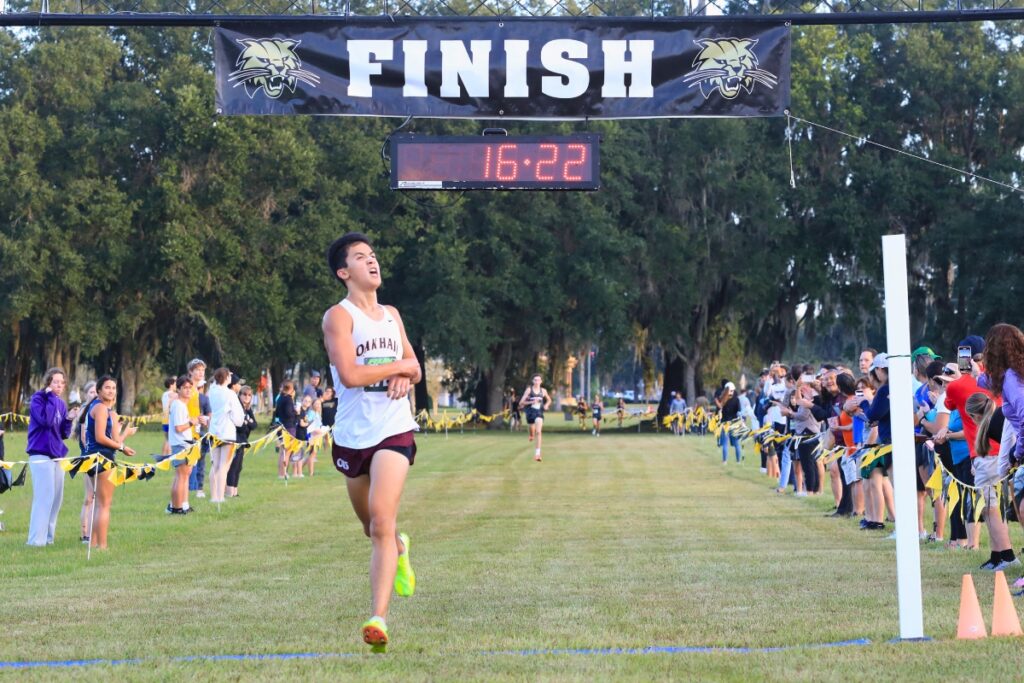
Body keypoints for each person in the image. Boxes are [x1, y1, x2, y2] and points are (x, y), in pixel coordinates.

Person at [323, 232, 422, 653]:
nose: (372, 262)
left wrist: (406, 371)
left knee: (382, 519)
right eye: (361, 258)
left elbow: (415, 366)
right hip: (352, 434)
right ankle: (400, 547)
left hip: (394, 428)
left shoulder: (392, 314)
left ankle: (378, 618)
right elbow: (349, 375)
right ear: (345, 272)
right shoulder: (338, 317)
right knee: (371, 528)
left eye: (374, 255)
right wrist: (398, 366)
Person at [964, 392, 1018, 571]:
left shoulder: (991, 423)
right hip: (992, 463)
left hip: (990, 464)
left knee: (991, 511)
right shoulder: (994, 417)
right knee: (991, 510)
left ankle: (1007, 556)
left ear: (975, 416)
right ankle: (997, 556)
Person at [83, 376, 137, 550]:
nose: (111, 390)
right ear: (98, 391)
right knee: (104, 504)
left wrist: (125, 435)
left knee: (99, 503)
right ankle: (102, 546)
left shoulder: (110, 412)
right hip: (100, 458)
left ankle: (93, 543)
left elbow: (114, 440)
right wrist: (122, 446)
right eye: (107, 387)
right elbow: (100, 437)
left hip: (97, 458)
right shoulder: (99, 408)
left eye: (113, 388)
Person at [26, 368, 78, 547]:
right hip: (40, 453)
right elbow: (46, 422)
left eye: (62, 382)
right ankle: (35, 541)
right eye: (55, 381)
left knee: (56, 498)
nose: (59, 385)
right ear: (48, 382)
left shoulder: (61, 404)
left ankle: (48, 538)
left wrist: (69, 419)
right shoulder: (38, 399)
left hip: (57, 454)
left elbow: (62, 433)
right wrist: (48, 397)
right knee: (44, 496)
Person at [207, 367, 245, 504]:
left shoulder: (211, 391)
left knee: (215, 465)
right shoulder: (229, 394)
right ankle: (220, 497)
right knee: (224, 466)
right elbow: (239, 417)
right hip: (227, 432)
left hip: (213, 432)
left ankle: (213, 496)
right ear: (227, 378)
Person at [167, 375, 200, 514]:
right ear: (178, 389)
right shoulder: (179, 405)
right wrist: (192, 422)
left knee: (185, 475)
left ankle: (183, 504)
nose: (188, 390)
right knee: (181, 477)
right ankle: (176, 507)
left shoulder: (181, 405)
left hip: (185, 444)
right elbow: (179, 428)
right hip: (181, 445)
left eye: (189, 388)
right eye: (184, 388)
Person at [72, 381, 97, 543]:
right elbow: (84, 437)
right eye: (91, 392)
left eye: (96, 392)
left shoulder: (99, 410)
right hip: (89, 458)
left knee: (96, 497)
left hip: (101, 457)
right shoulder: (84, 412)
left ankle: (95, 532)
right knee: (89, 497)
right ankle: (85, 534)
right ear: (86, 394)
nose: (94, 395)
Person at [185, 359, 211, 498]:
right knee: (188, 463)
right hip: (186, 430)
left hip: (198, 430)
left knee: (200, 460)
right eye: (198, 370)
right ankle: (188, 489)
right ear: (191, 371)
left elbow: (204, 412)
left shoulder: (199, 391)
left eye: (203, 370)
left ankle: (197, 488)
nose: (201, 373)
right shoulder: (187, 389)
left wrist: (203, 419)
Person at [226, 384, 257, 498]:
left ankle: (235, 491)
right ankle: (229, 492)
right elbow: (240, 426)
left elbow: (254, 425)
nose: (247, 397)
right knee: (233, 466)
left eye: (249, 395)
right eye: (244, 394)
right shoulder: (237, 406)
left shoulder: (247, 409)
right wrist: (246, 423)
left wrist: (247, 422)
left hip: (243, 440)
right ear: (240, 395)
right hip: (236, 439)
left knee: (239, 467)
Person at [519, 375, 551, 462]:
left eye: (538, 380)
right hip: (530, 412)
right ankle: (531, 435)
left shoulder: (543, 391)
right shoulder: (529, 390)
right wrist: (531, 401)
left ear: (541, 381)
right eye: (535, 380)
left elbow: (549, 399)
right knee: (532, 429)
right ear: (533, 381)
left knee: (539, 432)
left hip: (539, 412)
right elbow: (521, 403)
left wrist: (546, 405)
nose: (537, 382)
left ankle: (537, 454)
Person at [275, 380, 299, 478]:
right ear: (290, 389)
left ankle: (280, 473)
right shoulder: (288, 399)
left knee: (282, 451)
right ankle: (283, 473)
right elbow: (289, 413)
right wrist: (296, 412)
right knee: (287, 451)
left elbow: (276, 413)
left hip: (281, 425)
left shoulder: (280, 398)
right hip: (289, 427)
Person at [718, 382, 742, 464]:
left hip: (725, 423)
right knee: (736, 443)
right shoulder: (736, 399)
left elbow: (720, 411)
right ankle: (738, 461)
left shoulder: (723, 399)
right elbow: (739, 412)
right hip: (734, 422)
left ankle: (725, 461)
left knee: (725, 443)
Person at [160, 377, 177, 457]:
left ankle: (163, 455)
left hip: (164, 420)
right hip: (169, 419)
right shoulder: (173, 395)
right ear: (171, 384)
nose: (176, 385)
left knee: (167, 439)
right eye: (175, 383)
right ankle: (169, 456)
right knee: (170, 440)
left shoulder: (164, 394)